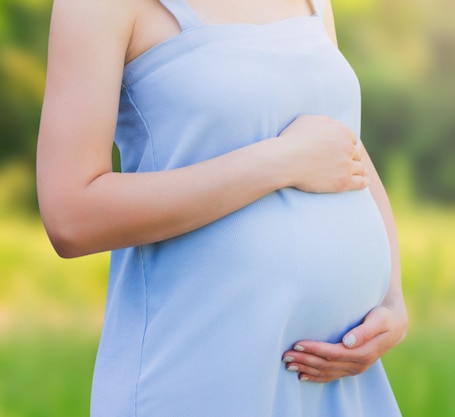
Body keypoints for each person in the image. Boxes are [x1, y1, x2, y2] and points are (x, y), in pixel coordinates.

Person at [36, 0, 408, 415]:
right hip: (205, 375)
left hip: (338, 382)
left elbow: (340, 143)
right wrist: (280, 161)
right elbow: (71, 215)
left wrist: (392, 299)